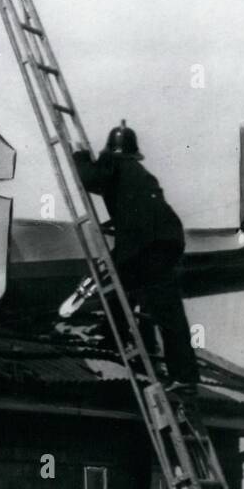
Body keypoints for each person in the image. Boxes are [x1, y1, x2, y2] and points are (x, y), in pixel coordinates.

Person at [73, 123, 200, 392]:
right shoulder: (140, 172)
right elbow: (139, 207)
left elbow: (89, 179)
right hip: (166, 240)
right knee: (146, 296)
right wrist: (119, 222)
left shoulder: (114, 163)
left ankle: (114, 336)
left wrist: (80, 156)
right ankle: (115, 335)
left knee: (133, 289)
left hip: (145, 244)